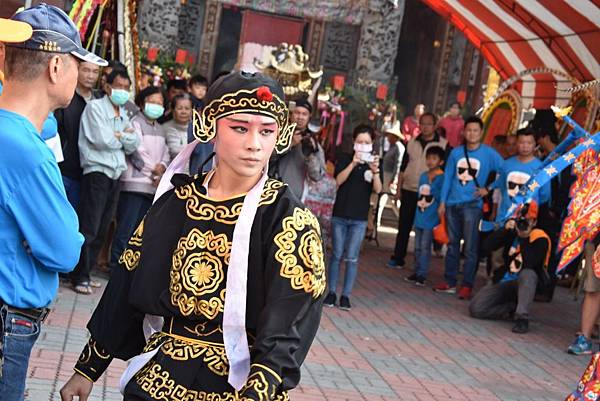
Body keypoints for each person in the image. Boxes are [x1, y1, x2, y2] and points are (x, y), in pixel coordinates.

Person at [59, 71, 325, 401]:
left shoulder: (288, 219)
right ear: (209, 126)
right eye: (240, 128)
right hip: (161, 375)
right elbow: (127, 282)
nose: (254, 143)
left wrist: (262, 386)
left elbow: (293, 315)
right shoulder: (175, 203)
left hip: (240, 383)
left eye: (266, 131)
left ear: (280, 135)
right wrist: (87, 369)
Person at [0, 5, 106, 399]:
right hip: (7, 318)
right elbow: (64, 249)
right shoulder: (23, 149)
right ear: (56, 68)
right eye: (78, 64)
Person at [71, 68, 140, 294]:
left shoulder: (124, 113)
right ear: (108, 87)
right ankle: (78, 275)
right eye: (118, 86)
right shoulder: (95, 108)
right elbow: (103, 140)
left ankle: (87, 273)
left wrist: (121, 136)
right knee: (89, 224)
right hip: (97, 170)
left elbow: (133, 143)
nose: (122, 91)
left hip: (115, 173)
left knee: (103, 225)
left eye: (126, 88)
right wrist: (121, 136)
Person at [434, 116, 504, 299]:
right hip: (452, 204)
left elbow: (505, 172)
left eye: (475, 130)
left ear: (481, 133)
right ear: (464, 132)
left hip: (473, 206)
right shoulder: (456, 153)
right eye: (469, 130)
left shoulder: (489, 154)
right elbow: (448, 177)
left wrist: (487, 189)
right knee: (452, 245)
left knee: (471, 247)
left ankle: (467, 285)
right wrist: (442, 202)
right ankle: (449, 281)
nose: (471, 134)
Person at [108, 86, 170, 272]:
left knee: (138, 230)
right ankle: (115, 266)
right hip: (134, 183)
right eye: (152, 101)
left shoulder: (161, 128)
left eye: (160, 103)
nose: (156, 106)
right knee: (125, 228)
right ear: (142, 103)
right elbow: (136, 150)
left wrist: (163, 168)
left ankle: (127, 268)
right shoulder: (134, 122)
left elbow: (166, 153)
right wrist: (153, 170)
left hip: (152, 186)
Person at [324, 124, 382, 310]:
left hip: (359, 219)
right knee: (337, 255)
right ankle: (331, 292)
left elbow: (378, 189)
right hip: (340, 215)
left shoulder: (373, 164)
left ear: (372, 144)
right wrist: (353, 163)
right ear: (354, 142)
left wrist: (375, 171)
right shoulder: (344, 158)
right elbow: (338, 181)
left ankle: (346, 295)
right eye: (359, 142)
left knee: (352, 257)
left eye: (366, 142)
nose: (362, 145)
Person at [470, 202, 551, 334]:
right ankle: (510, 308)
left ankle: (522, 318)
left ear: (534, 222)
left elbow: (530, 263)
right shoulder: (512, 232)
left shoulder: (540, 237)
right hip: (506, 280)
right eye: (521, 221)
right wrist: (504, 230)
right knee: (477, 308)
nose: (523, 225)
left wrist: (525, 238)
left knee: (528, 274)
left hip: (526, 283)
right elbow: (486, 247)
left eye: (527, 221)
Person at [387, 113, 447, 269]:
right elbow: (403, 167)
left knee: (424, 229)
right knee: (404, 225)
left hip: (430, 194)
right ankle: (398, 257)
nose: (425, 127)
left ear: (435, 126)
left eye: (429, 124)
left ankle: (420, 264)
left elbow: (447, 172)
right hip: (409, 188)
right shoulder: (412, 142)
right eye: (422, 123)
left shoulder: (443, 144)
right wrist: (398, 189)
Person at [54, 61, 102, 209]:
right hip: (66, 168)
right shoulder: (66, 98)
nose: (90, 76)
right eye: (86, 70)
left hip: (90, 172)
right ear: (77, 70)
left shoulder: (100, 100)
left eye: (95, 72)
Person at [404, 146, 445, 286]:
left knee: (425, 247)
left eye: (434, 158)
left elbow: (441, 197)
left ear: (441, 161)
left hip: (431, 219)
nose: (430, 161)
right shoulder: (423, 176)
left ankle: (422, 273)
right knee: (416, 247)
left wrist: (433, 186)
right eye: (428, 158)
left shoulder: (442, 177)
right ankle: (416, 271)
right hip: (420, 216)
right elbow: (419, 195)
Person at [271, 98, 326, 200]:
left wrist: (309, 155)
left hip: (296, 199)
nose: (300, 117)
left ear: (309, 117)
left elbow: (317, 176)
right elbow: (266, 159)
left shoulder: (313, 143)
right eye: (297, 113)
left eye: (304, 114)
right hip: (271, 192)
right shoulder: (278, 135)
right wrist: (290, 144)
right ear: (291, 114)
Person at [164, 93, 193, 160]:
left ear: (192, 111)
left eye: (187, 108)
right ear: (173, 110)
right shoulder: (164, 128)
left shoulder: (198, 129)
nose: (183, 112)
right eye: (179, 108)